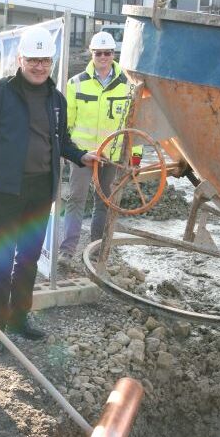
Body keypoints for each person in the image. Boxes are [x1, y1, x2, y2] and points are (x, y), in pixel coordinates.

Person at [0, 24, 96, 356]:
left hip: (41, 191)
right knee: (2, 260)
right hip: (8, 192)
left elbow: (60, 141)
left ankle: (20, 317)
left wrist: (80, 155)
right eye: (33, 59)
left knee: (29, 259)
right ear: (20, 58)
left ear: (51, 62)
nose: (39, 66)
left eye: (45, 60)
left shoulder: (57, 100)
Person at [59, 31, 141, 269]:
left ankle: (95, 250)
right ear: (91, 53)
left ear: (113, 54)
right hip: (83, 155)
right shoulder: (75, 84)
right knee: (75, 199)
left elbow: (135, 130)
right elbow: (67, 124)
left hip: (111, 157)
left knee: (104, 202)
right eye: (98, 53)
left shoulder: (129, 86)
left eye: (107, 53)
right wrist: (68, 153)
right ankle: (67, 251)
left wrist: (135, 162)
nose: (103, 57)